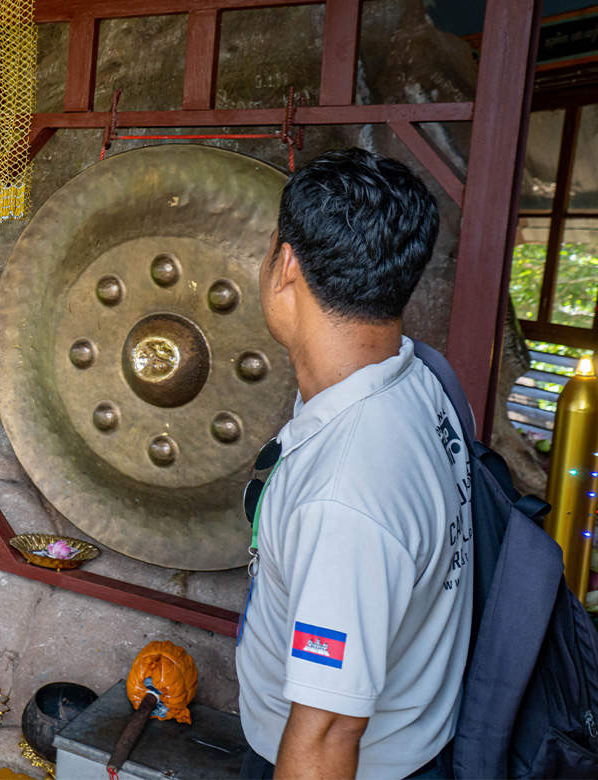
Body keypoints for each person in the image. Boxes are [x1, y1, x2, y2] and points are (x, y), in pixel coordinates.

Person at [234, 148, 473, 779]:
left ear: (285, 264)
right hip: (419, 738)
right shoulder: (416, 378)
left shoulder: (345, 500)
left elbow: (328, 732)